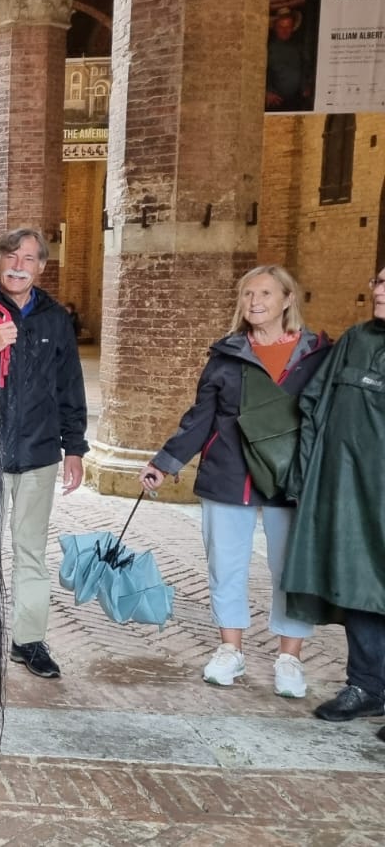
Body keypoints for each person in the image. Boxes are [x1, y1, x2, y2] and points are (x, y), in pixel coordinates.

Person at [139, 266, 330, 696]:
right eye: (247, 295)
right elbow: (200, 418)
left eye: (264, 293)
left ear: (286, 300)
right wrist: (165, 462)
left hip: (289, 480)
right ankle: (231, 651)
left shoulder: (317, 354)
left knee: (291, 571)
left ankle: (290, 658)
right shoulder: (227, 355)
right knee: (225, 566)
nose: (254, 302)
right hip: (230, 475)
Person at [0, 228, 87, 679]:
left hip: (39, 455)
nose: (19, 264)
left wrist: (74, 447)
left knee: (30, 552)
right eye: (11, 256)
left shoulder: (55, 319)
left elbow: (69, 386)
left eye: (29, 258)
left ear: (42, 267)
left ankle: (28, 641)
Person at [282, 266, 385, 736]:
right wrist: (306, 477)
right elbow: (315, 405)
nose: (378, 290)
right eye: (377, 282)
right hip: (349, 493)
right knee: (358, 585)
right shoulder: (355, 340)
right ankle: (366, 687)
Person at [265, 6, 314, 112]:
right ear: (275, 27)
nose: (285, 31)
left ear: (293, 28)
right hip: (274, 103)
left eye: (288, 27)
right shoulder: (267, 48)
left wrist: (306, 85)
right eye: (281, 27)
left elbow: (306, 67)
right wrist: (266, 92)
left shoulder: (299, 47)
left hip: (296, 102)